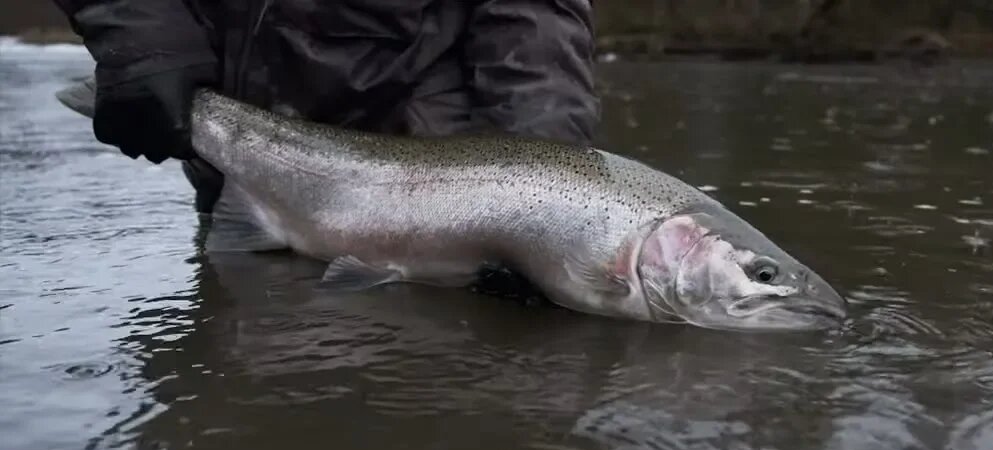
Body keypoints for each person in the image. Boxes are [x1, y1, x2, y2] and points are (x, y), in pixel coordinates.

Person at [51, 0, 601, 215]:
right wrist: (139, 33)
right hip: (237, 161)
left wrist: (543, 204)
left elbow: (536, 23)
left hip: (434, 182)